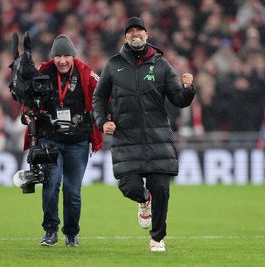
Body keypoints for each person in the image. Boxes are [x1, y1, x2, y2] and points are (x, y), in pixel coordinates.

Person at [92, 17, 195, 252]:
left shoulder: (161, 65)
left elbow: (178, 99)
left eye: (139, 30)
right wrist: (101, 121)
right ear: (125, 37)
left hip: (157, 138)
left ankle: (157, 238)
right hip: (126, 138)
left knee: (161, 189)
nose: (135, 34)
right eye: (130, 31)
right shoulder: (112, 64)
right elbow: (98, 97)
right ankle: (143, 200)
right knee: (128, 186)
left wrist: (189, 90)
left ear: (147, 35)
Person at [20, 34, 103, 247]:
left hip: (78, 141)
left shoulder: (85, 72)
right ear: (53, 57)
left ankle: (71, 234)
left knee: (72, 190)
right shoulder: (44, 72)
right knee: (51, 184)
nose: (62, 60)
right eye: (58, 56)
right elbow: (29, 99)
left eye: (66, 55)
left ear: (73, 57)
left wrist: (107, 116)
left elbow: (104, 92)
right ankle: (50, 231)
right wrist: (27, 114)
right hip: (50, 140)